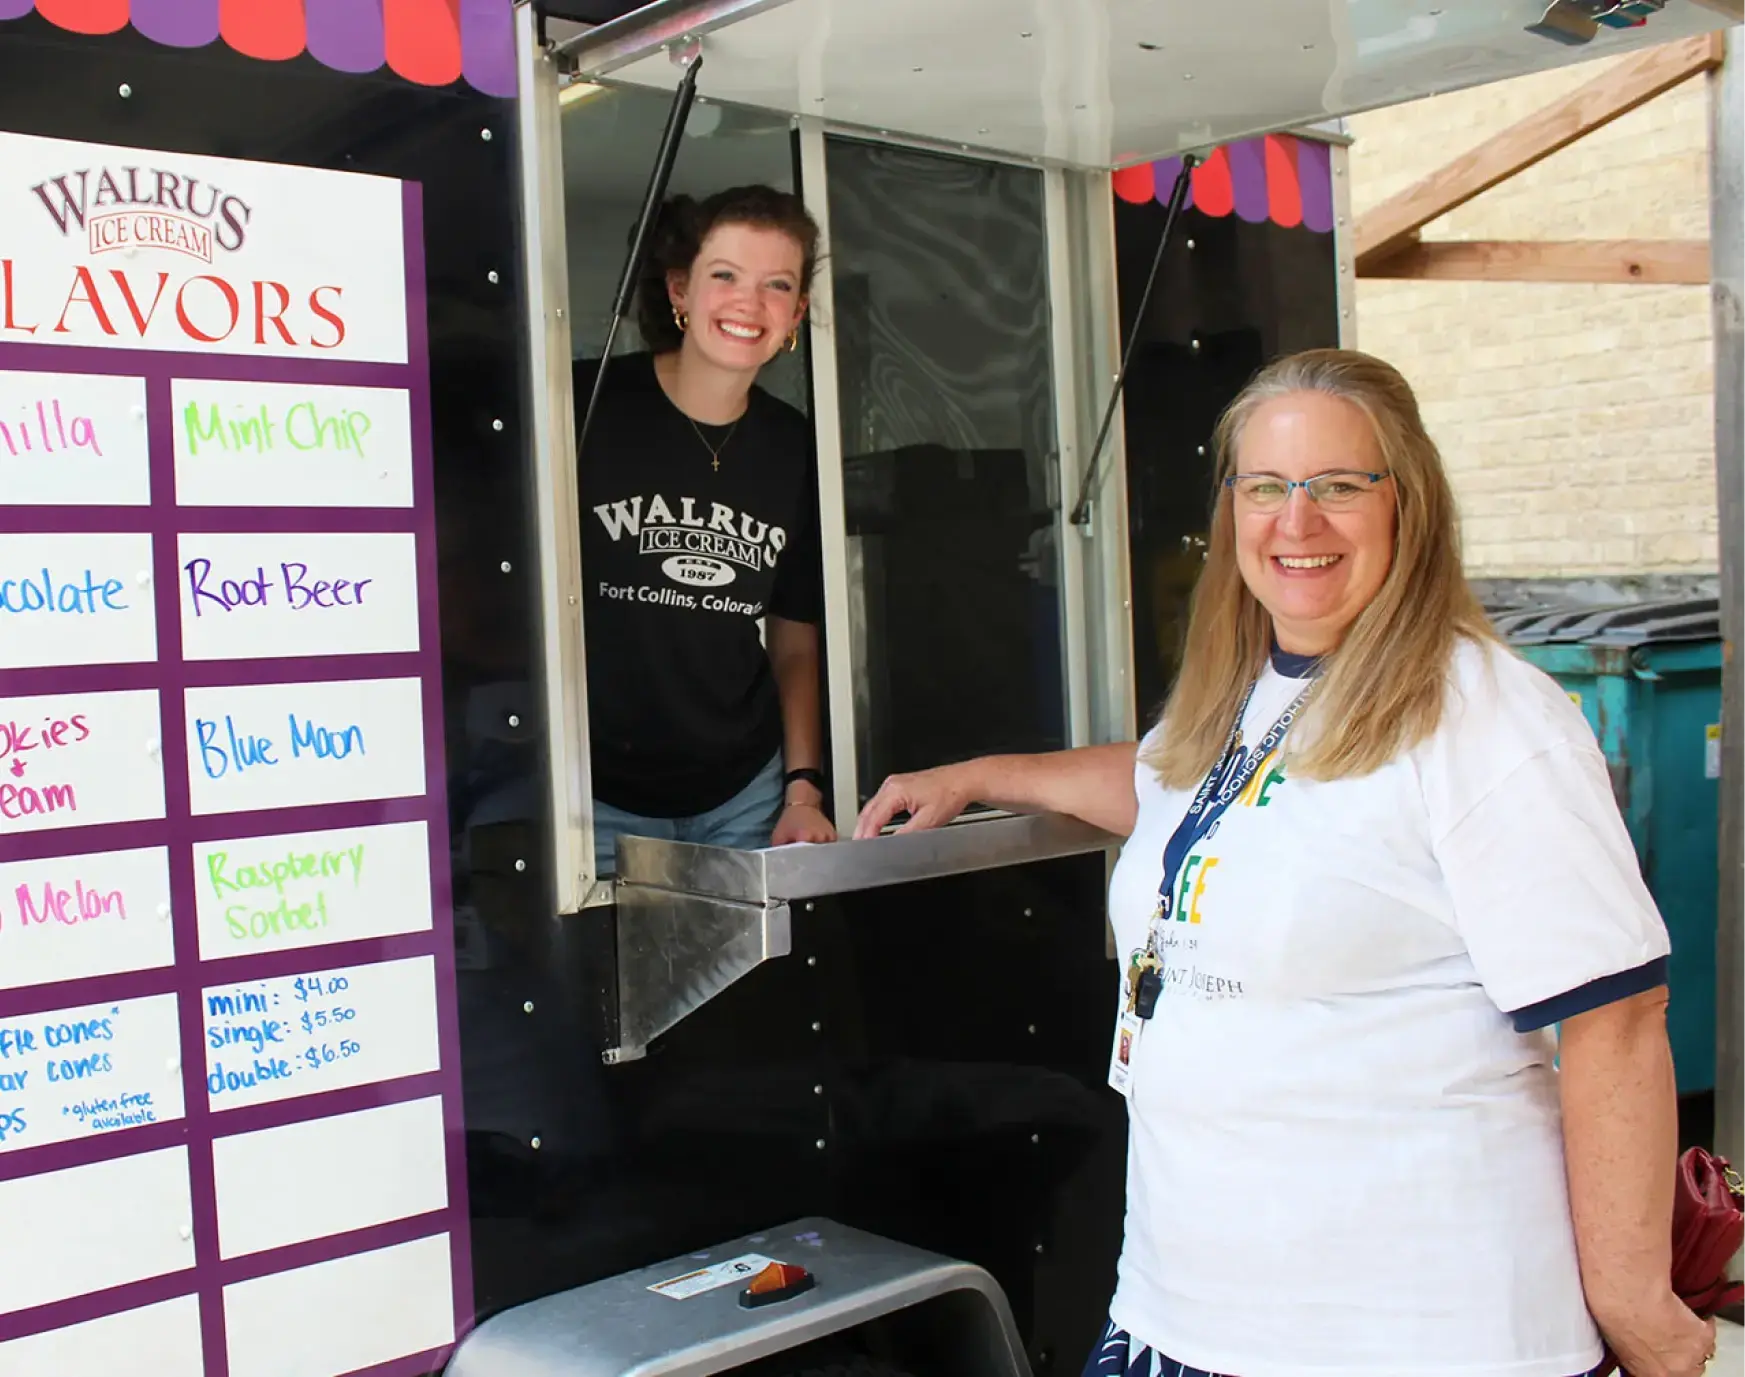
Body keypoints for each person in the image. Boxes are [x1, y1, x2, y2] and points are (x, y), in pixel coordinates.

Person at [854, 348, 1714, 1377]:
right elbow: (1176, 790)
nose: (1293, 521)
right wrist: (981, 774)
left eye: (1337, 486)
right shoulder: (1244, 689)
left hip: (1410, 1338)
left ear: (1409, 505)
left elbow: (1613, 1018)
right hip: (1182, 1316)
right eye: (1263, 486)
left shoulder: (1484, 716)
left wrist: (1632, 1303)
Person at [575, 185, 836, 874]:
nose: (748, 304)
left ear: (795, 315)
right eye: (724, 275)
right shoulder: (585, 406)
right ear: (680, 291)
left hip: (743, 795)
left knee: (744, 987)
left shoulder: (791, 445)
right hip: (590, 800)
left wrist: (802, 788)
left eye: (776, 285)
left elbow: (794, 633)